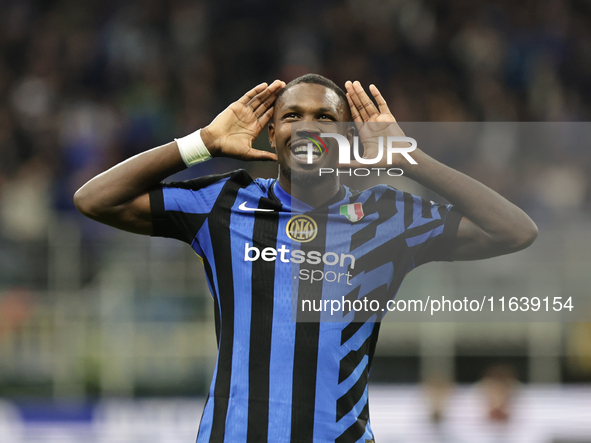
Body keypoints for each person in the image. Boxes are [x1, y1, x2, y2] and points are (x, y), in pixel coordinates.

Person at [74, 74, 538, 442]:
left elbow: (515, 231)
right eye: (293, 115)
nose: (309, 126)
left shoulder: (387, 216)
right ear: (272, 132)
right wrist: (202, 143)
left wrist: (407, 156)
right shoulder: (225, 202)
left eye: (325, 116)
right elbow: (95, 200)